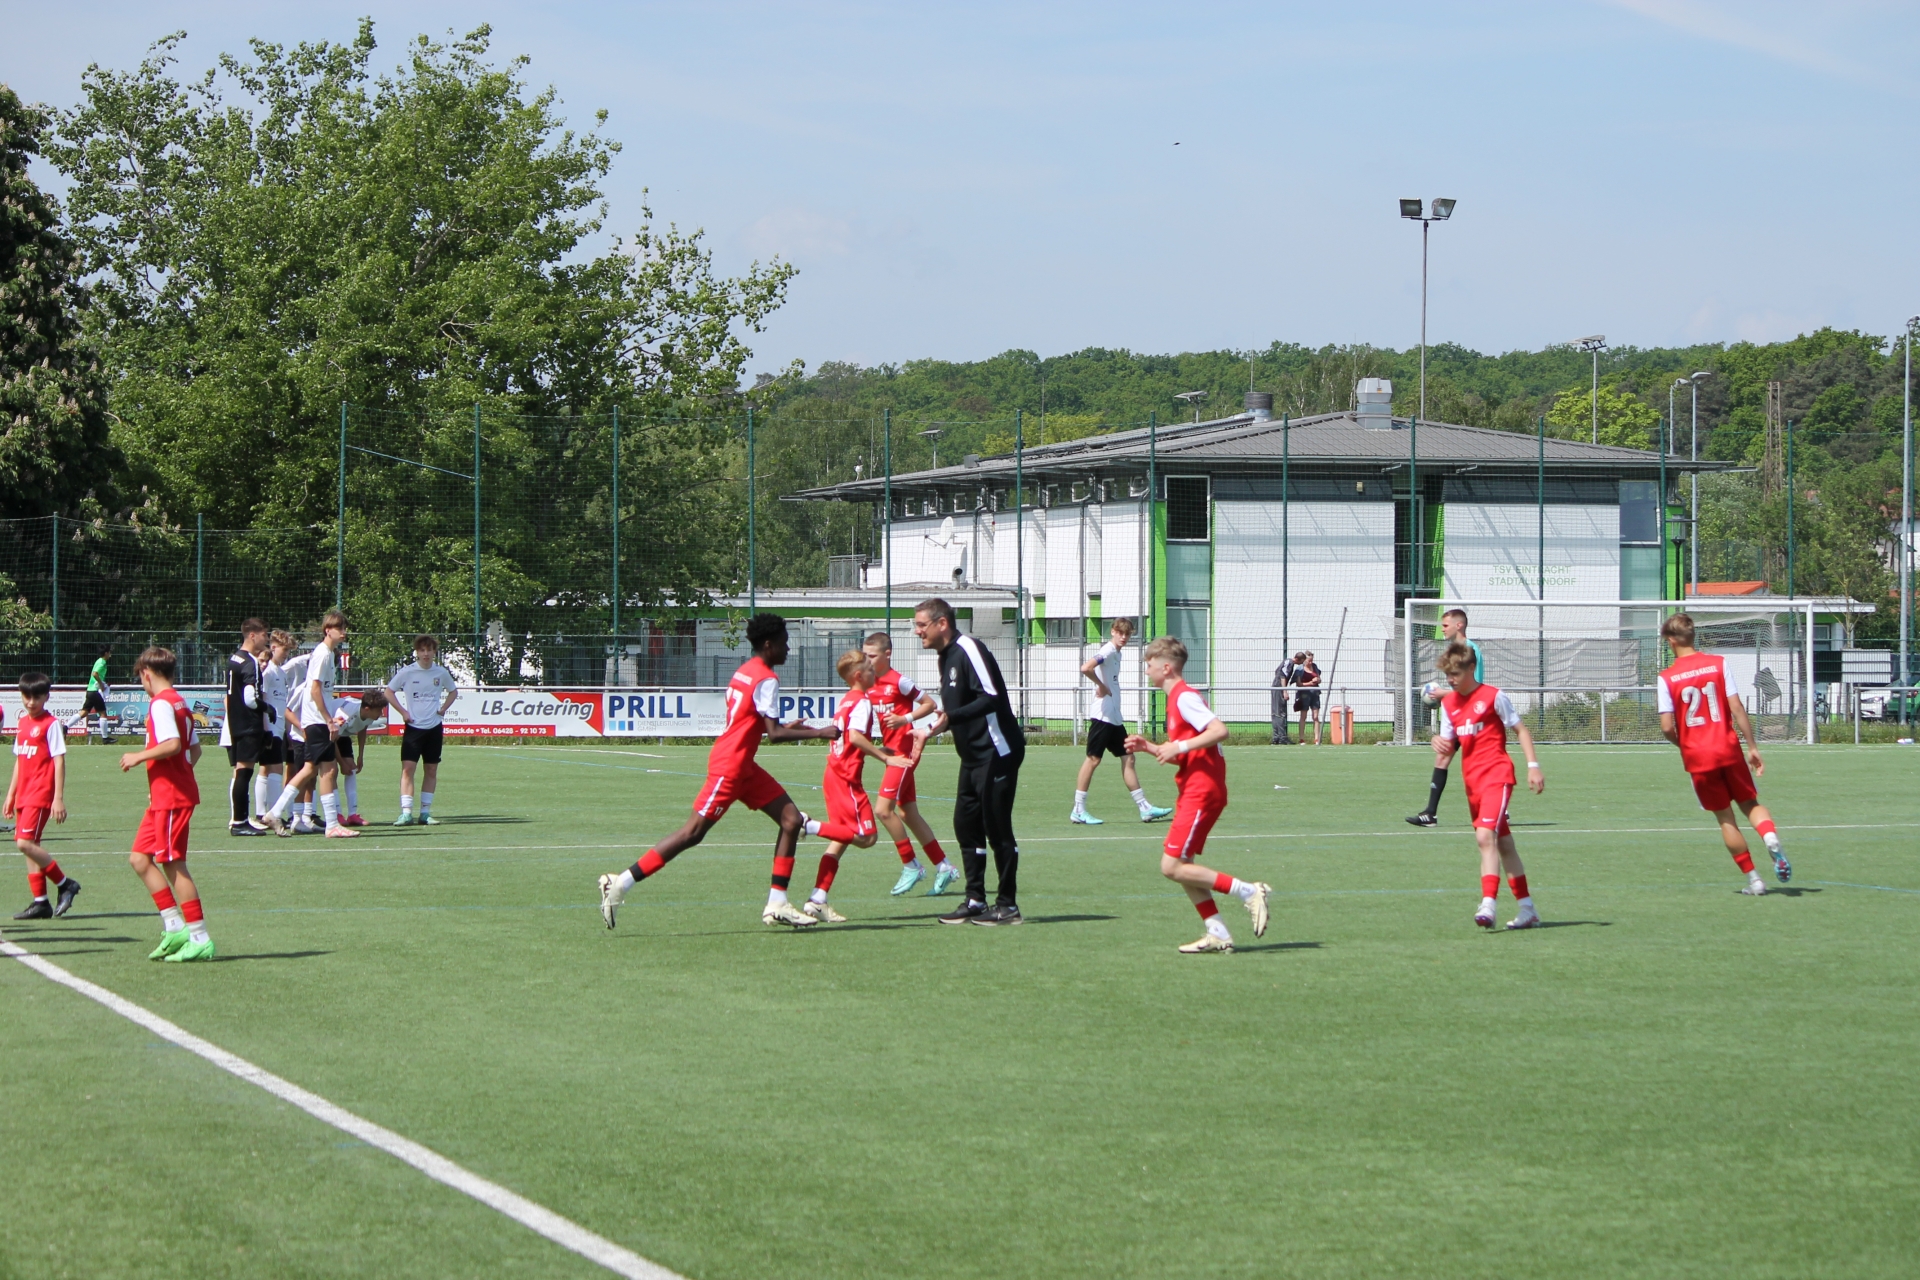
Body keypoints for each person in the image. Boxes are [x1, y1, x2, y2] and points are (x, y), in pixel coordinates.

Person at [598, 613, 839, 930]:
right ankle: (620, 883)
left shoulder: (745, 671)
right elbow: (774, 735)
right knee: (692, 833)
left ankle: (778, 903)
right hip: (731, 766)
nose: (788, 649)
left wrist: (786, 726)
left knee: (792, 820)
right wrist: (820, 733)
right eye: (784, 643)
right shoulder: (767, 678)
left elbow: (752, 722)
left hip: (743, 765)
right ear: (769, 645)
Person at [1124, 637, 1270, 953]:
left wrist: (1179, 745)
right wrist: (1151, 748)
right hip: (1195, 788)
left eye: (1149, 665)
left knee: (1171, 866)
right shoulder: (1175, 699)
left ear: (1165, 667)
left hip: (1201, 790)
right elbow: (1185, 756)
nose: (1146, 671)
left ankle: (1248, 891)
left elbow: (1219, 730)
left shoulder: (1184, 697)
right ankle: (1217, 932)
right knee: (1183, 866)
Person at [1656, 613, 1791, 895]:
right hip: (1728, 749)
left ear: (1671, 641)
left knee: (1725, 819)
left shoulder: (1666, 678)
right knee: (1750, 803)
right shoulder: (1718, 663)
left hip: (1699, 758)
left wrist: (1685, 745)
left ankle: (1755, 880)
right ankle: (1769, 837)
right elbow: (1736, 707)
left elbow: (1667, 726)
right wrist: (1752, 747)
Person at [914, 597, 1026, 926]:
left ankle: (1008, 905)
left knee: (997, 827)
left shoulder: (969, 649)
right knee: (965, 824)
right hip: (973, 756)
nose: (917, 631)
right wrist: (931, 730)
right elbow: (955, 711)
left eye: (921, 624)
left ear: (942, 624)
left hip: (997, 751)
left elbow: (991, 697)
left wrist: (951, 718)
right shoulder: (945, 656)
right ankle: (976, 900)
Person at [1431, 641, 1545, 930]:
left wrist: (1533, 766)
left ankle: (1488, 904)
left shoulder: (1493, 696)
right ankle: (1527, 909)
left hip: (1497, 776)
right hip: (1472, 782)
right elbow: (1449, 745)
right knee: (1503, 843)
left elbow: (1520, 729)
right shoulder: (1449, 704)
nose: (1450, 680)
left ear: (1471, 668)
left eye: (1455, 674)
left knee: (1485, 837)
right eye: (1447, 675)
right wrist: (1438, 742)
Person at [120, 646, 215, 962]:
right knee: (139, 858)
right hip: (165, 795)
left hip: (172, 797)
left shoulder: (161, 703)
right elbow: (194, 750)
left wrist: (138, 757)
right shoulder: (179, 702)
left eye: (140, 678)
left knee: (173, 864)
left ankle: (199, 937)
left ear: (146, 674)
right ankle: (175, 927)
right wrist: (174, 777)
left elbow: (173, 745)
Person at [861, 630, 959, 896]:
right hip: (892, 755)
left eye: (872, 656)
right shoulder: (869, 683)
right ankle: (944, 866)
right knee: (907, 813)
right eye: (865, 655)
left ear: (887, 654)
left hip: (904, 756)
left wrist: (905, 719)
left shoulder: (899, 681)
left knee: (883, 810)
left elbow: (929, 704)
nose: (867, 660)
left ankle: (911, 864)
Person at [802, 650, 892, 923]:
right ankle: (806, 825)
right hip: (846, 778)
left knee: (841, 838)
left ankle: (817, 899)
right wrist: (885, 758)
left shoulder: (846, 700)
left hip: (834, 773)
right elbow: (854, 737)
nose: (874, 672)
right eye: (870, 669)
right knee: (866, 837)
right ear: (858, 676)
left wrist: (878, 750)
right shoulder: (862, 701)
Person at [1071, 618, 1174, 825]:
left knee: (1129, 758)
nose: (1124, 637)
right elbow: (1086, 668)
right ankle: (1078, 809)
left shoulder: (1117, 653)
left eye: (1127, 634)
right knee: (1093, 759)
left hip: (1114, 717)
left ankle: (1145, 808)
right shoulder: (1108, 650)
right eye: (1121, 633)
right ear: (1113, 632)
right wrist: (1101, 686)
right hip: (1103, 715)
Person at [264, 611, 355, 837]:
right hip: (316, 721)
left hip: (316, 720)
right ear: (328, 630)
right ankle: (331, 825)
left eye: (344, 628)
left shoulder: (328, 654)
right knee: (327, 769)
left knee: (311, 769)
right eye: (340, 628)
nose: (344, 632)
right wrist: (328, 720)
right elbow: (314, 690)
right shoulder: (322, 654)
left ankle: (275, 812)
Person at [7, 672, 81, 920]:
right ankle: (41, 902)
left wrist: (58, 797)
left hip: (40, 794)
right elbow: (20, 761)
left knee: (24, 843)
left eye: (36, 697)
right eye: (26, 697)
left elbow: (59, 761)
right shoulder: (22, 723)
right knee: (31, 847)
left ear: (47, 697)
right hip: (24, 794)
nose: (31, 702)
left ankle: (65, 884)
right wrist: (10, 795)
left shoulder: (51, 725)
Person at [1408, 609, 1483, 827]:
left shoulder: (1471, 650)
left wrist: (1442, 693)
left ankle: (1500, 809)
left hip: (1472, 716)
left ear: (1459, 625)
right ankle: (1430, 814)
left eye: (1445, 625)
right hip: (1456, 715)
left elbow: (1475, 689)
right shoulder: (1452, 651)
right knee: (1442, 758)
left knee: (1480, 764)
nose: (1442, 629)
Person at [384, 635, 459, 825]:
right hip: (413, 728)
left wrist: (443, 708)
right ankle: (406, 813)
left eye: (429, 650)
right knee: (408, 769)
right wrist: (403, 711)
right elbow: (388, 691)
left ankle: (425, 813)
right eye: (422, 650)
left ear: (434, 652)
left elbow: (453, 691)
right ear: (417, 652)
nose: (426, 654)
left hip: (434, 728)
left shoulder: (440, 672)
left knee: (431, 769)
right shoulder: (407, 672)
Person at [220, 618, 274, 838]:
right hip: (248, 725)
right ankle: (239, 821)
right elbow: (250, 699)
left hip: (235, 724)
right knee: (244, 773)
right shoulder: (250, 662)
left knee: (240, 772)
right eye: (264, 634)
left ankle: (239, 819)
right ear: (252, 635)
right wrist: (267, 708)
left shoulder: (234, 658)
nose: (266, 639)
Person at [330, 688, 389, 828]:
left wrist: (360, 756)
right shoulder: (345, 715)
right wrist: (341, 763)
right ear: (367, 709)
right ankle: (337, 814)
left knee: (351, 769)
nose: (381, 714)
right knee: (332, 771)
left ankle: (352, 815)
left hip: (343, 734)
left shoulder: (367, 713)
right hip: (330, 733)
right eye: (379, 710)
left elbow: (362, 728)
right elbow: (332, 740)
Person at [254, 629, 295, 831]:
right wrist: (264, 728)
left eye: (288, 650)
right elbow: (262, 699)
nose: (286, 654)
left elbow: (281, 703)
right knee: (275, 768)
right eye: (284, 650)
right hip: (270, 726)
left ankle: (263, 813)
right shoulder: (268, 672)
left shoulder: (280, 672)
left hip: (278, 726)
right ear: (273, 647)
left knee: (267, 768)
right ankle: (272, 813)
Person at [67, 645, 115, 742]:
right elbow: (95, 673)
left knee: (84, 712)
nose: (110, 654)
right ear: (106, 653)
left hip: (90, 691)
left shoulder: (98, 661)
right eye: (109, 652)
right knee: (103, 713)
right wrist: (101, 684)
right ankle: (105, 738)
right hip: (95, 691)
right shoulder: (102, 662)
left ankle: (65, 727)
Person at [1292, 651, 1322, 745]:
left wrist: (1318, 680)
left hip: (1315, 694)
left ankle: (1317, 739)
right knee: (1303, 716)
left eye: (1312, 660)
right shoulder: (1300, 669)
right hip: (1304, 694)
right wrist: (1310, 683)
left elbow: (1319, 679)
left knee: (1316, 717)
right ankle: (1301, 739)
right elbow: (1299, 684)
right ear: (1305, 660)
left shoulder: (1315, 667)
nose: (1311, 662)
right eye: (1309, 661)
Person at [1270, 654, 1295, 745]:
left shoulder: (1286, 661)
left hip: (1275, 687)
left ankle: (1276, 737)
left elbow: (1277, 671)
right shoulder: (1290, 663)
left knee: (1275, 712)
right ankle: (1282, 737)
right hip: (1279, 689)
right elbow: (1283, 675)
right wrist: (1284, 691)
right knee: (1280, 712)